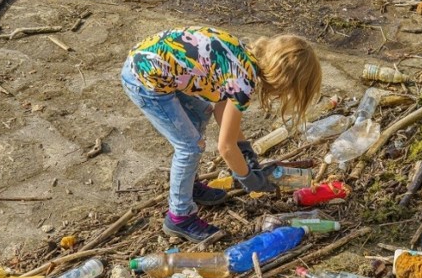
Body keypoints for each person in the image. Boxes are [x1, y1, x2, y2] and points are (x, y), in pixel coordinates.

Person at [121, 27, 322, 242]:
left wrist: (246, 152)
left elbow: (220, 109)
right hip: (144, 80)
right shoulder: (244, 82)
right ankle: (179, 217)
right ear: (284, 79)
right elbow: (225, 147)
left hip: (153, 67)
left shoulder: (243, 57)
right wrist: (248, 179)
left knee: (201, 112)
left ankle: (187, 184)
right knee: (190, 146)